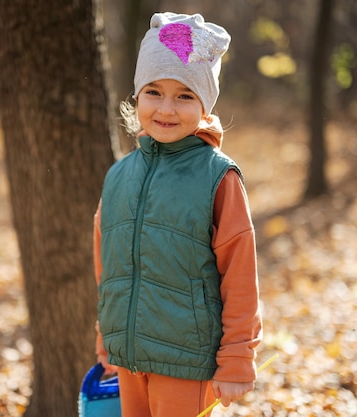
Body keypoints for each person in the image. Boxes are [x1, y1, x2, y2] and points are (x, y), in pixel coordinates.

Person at [92, 12, 263, 417]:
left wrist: (237, 359)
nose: (166, 108)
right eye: (154, 92)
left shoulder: (217, 176)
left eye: (185, 95)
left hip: (187, 361)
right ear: (137, 96)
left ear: (205, 105)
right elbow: (109, 267)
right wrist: (107, 339)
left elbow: (240, 274)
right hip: (129, 358)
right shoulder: (118, 176)